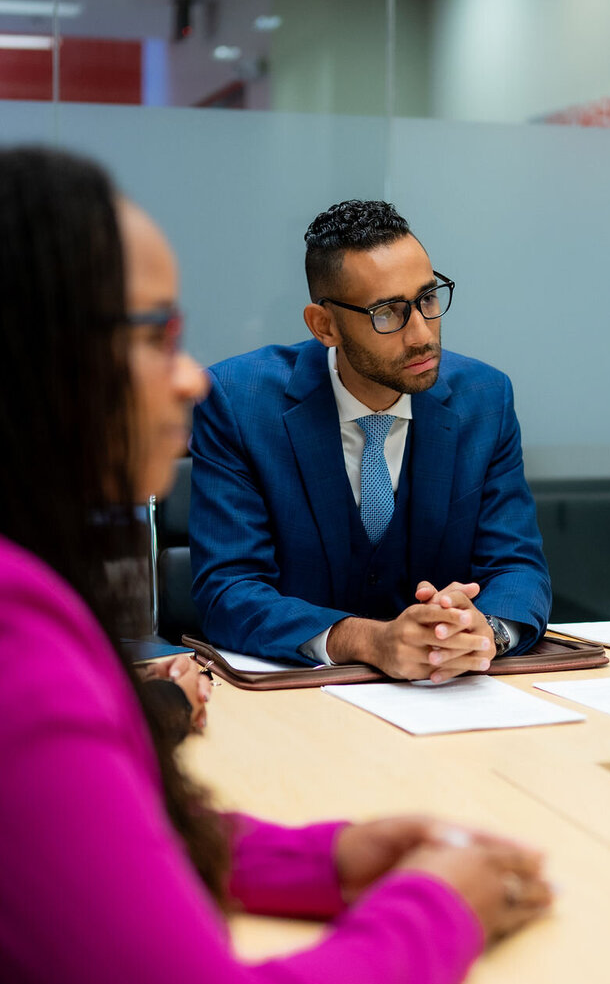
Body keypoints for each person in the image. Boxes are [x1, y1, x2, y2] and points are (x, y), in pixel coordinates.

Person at [0, 147, 553, 984]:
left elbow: (79, 837)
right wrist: (441, 903)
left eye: (429, 300)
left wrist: (320, 860)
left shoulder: (32, 595)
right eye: (154, 336)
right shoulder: (19, 637)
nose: (189, 380)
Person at [190, 199, 551, 679]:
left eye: (428, 299)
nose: (421, 334)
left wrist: (485, 631)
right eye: (387, 313)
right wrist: (369, 641)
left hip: (449, 694)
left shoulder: (484, 399)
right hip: (299, 698)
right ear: (325, 326)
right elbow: (229, 590)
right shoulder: (239, 402)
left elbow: (517, 566)